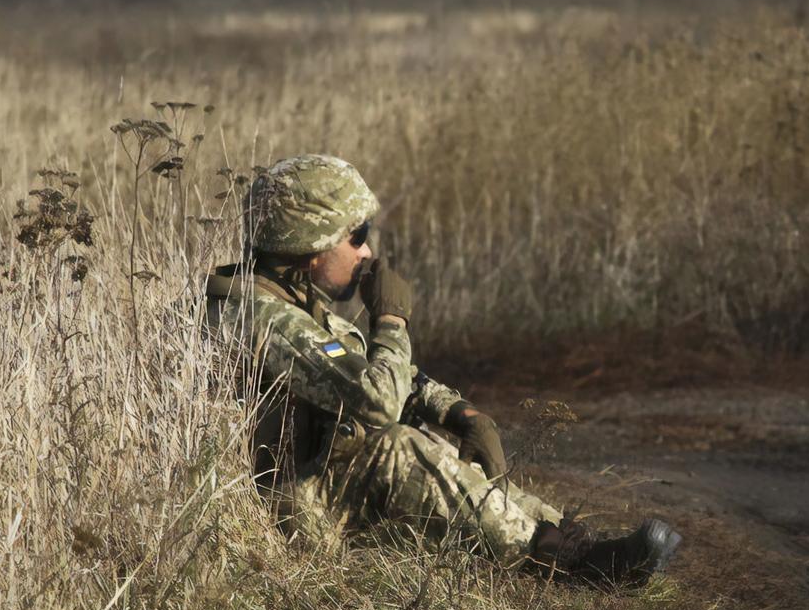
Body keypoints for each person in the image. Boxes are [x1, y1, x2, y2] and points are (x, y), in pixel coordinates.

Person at [204, 154, 681, 583]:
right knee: (394, 444)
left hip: (315, 486)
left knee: (423, 434)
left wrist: (460, 414)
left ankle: (570, 540)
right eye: (357, 236)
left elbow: (383, 375)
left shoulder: (296, 303)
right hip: (284, 511)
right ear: (312, 246)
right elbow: (375, 403)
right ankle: (563, 562)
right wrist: (390, 321)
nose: (366, 251)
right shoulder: (256, 317)